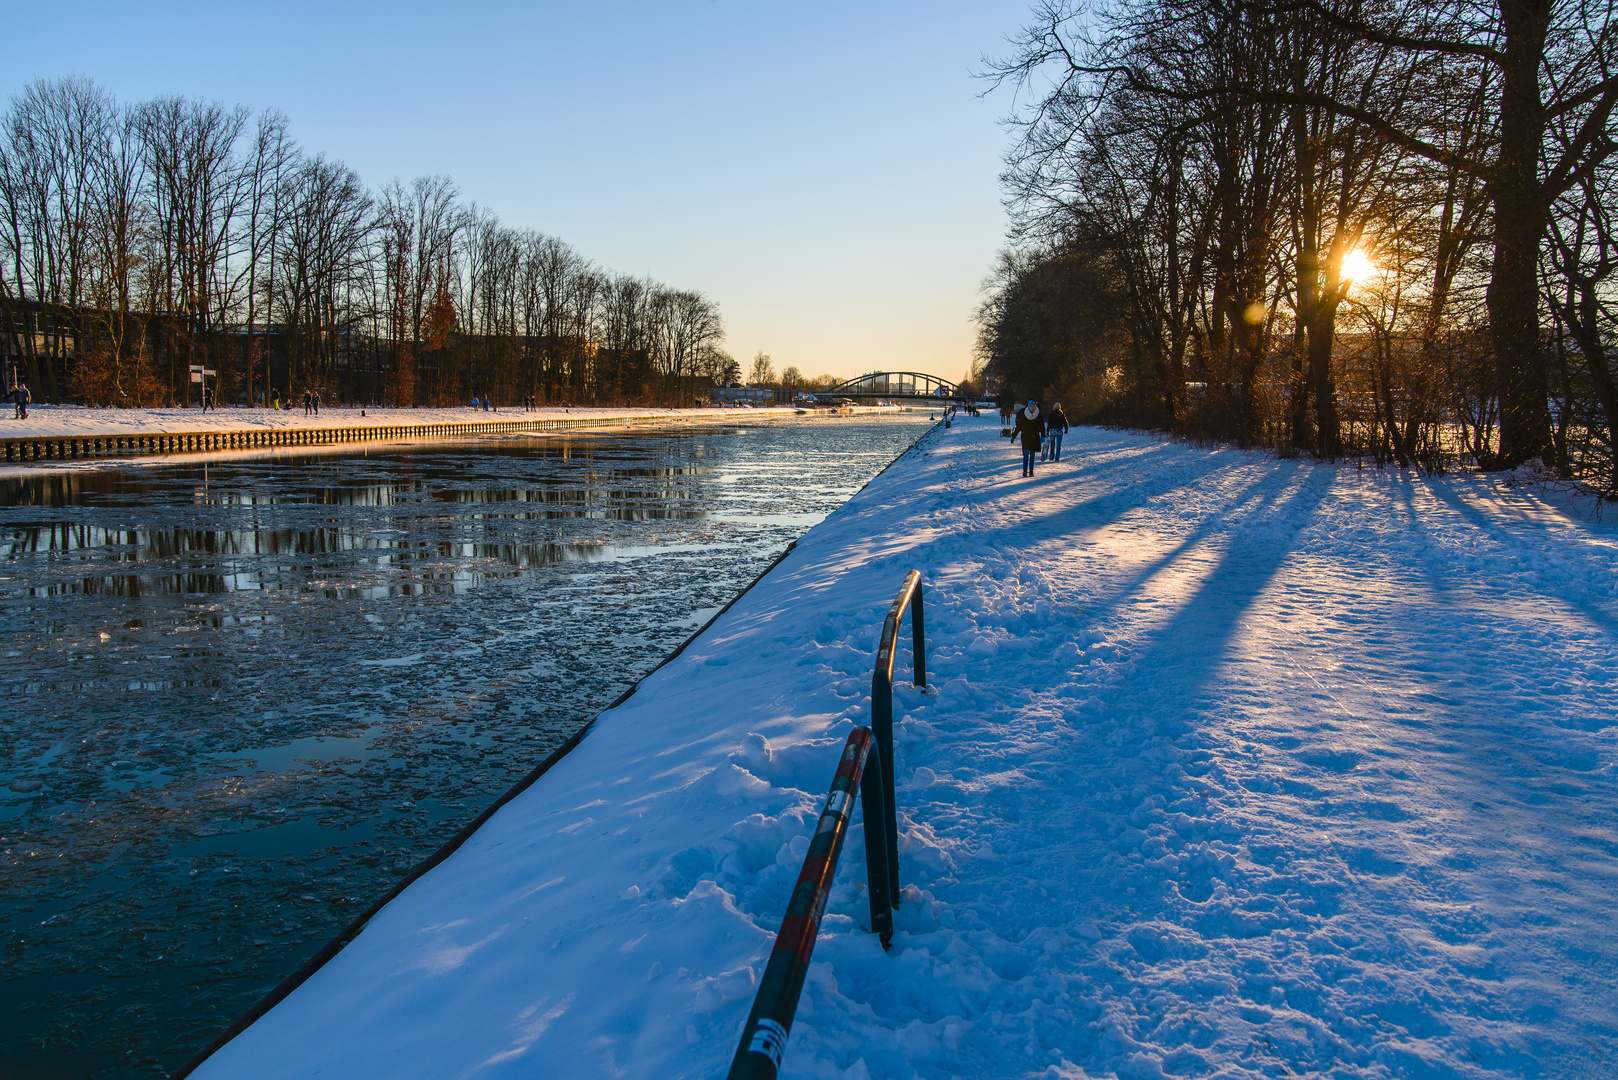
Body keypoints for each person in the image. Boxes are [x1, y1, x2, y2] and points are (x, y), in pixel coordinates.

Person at [1014, 399, 1044, 477]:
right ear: (1029, 407)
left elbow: (1041, 426)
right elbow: (1019, 426)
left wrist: (1043, 435)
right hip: (1025, 436)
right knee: (1026, 453)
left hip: (1034, 437)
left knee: (1032, 454)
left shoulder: (1038, 414)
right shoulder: (1024, 414)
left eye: (1034, 407)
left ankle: (1031, 470)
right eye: (1031, 407)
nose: (1033, 408)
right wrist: (1014, 436)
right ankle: (1024, 471)